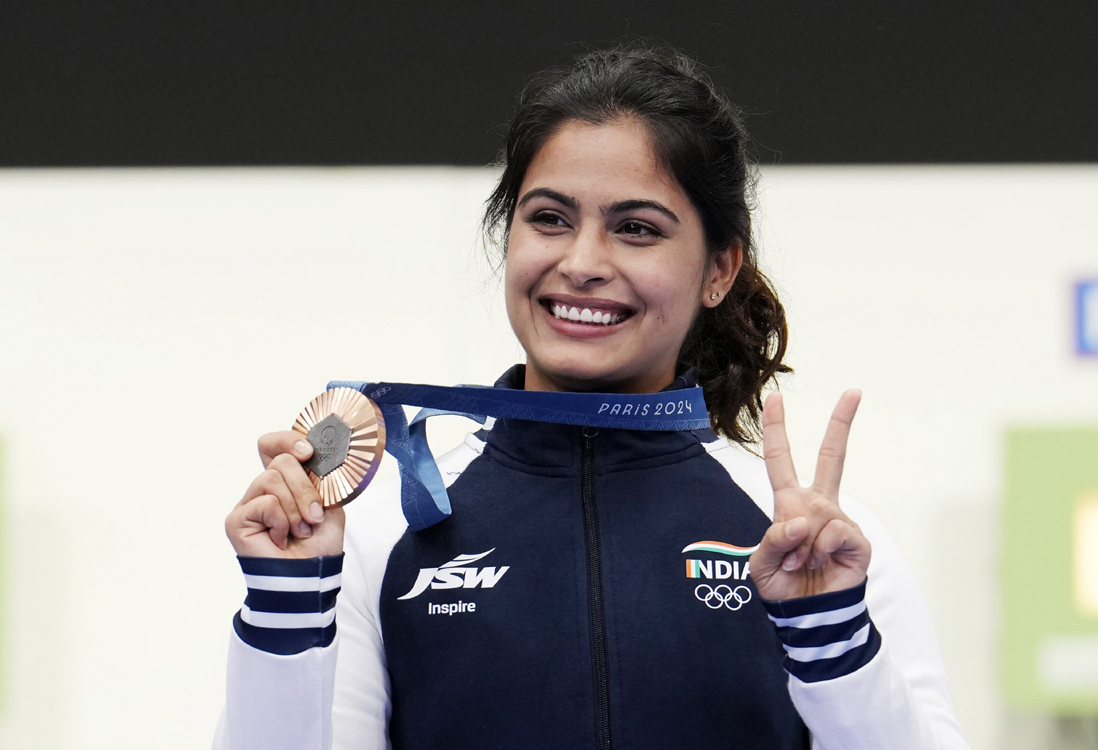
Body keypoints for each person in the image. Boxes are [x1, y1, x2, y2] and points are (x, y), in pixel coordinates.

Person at [216, 43, 969, 750]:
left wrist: (831, 639)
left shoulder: (808, 545)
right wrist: (288, 607)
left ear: (718, 270)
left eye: (636, 229)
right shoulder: (383, 534)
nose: (581, 263)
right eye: (549, 219)